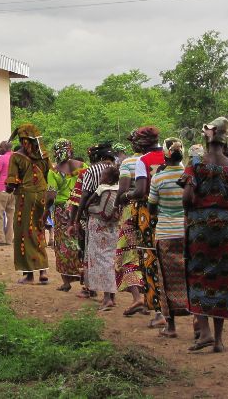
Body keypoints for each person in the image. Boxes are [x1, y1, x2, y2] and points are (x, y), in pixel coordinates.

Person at [179, 116, 228, 354]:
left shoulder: (196, 163)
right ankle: (219, 340)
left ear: (207, 137)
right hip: (225, 226)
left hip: (200, 224)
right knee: (222, 278)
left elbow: (187, 197)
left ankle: (204, 332)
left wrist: (191, 209)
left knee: (197, 274)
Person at [115, 127, 165, 324]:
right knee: (163, 259)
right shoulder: (170, 157)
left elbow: (137, 191)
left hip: (143, 214)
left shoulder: (140, 161)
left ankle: (157, 311)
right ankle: (161, 309)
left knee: (144, 257)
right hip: (168, 214)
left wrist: (124, 197)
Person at [149, 138, 188, 338]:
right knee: (191, 276)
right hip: (187, 232)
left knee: (166, 279)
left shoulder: (158, 178)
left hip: (165, 233)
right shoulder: (189, 175)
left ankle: (171, 327)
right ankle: (199, 324)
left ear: (165, 155)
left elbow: (152, 207)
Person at [6, 124, 51, 284]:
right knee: (38, 230)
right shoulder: (44, 157)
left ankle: (29, 274)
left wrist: (9, 187)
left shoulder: (17, 156)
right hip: (42, 195)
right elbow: (48, 175)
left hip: (25, 197)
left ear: (22, 139)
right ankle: (43, 271)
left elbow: (12, 183)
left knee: (23, 233)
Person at [73, 143, 118, 298]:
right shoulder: (117, 169)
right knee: (109, 256)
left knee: (93, 254)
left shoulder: (91, 170)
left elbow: (85, 195)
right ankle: (109, 293)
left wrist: (77, 218)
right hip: (113, 219)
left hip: (95, 218)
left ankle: (91, 289)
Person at [46, 139, 87, 292]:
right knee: (82, 242)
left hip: (62, 211)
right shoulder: (83, 166)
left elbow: (51, 196)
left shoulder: (54, 171)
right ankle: (87, 282)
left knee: (63, 245)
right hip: (80, 208)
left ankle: (66, 282)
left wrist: (45, 213)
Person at [84, 166, 122, 311]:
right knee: (110, 260)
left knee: (102, 261)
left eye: (103, 176)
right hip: (113, 229)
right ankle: (112, 296)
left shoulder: (103, 189)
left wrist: (90, 209)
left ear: (109, 179)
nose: (100, 178)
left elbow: (96, 207)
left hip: (101, 229)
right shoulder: (119, 190)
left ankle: (107, 299)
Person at [0, 141, 16, 247]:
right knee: (11, 216)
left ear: (5, 148)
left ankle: (0, 238)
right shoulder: (16, 157)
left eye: (1, 147)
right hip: (13, 189)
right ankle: (9, 239)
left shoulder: (1, 158)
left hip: (1, 189)